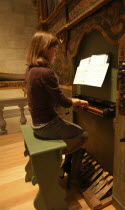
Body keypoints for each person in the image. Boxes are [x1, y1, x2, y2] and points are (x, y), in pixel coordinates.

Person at [25, 31, 89, 187]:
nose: (56, 53)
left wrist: (70, 100)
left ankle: (66, 167)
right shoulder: (45, 72)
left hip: (37, 124)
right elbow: (63, 102)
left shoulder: (30, 70)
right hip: (46, 125)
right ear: (45, 48)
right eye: (54, 48)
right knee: (84, 135)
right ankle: (73, 176)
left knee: (74, 131)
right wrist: (77, 101)